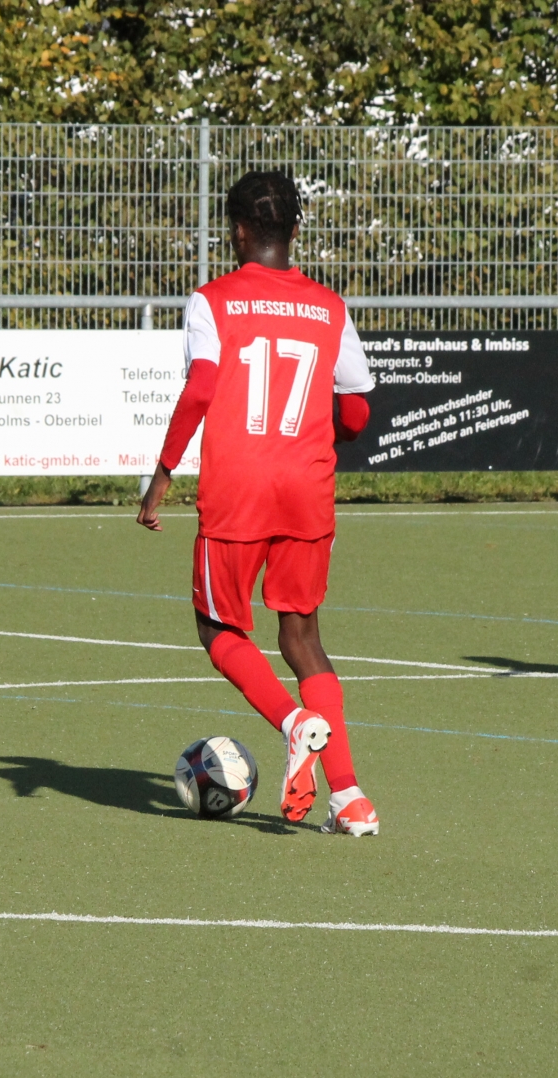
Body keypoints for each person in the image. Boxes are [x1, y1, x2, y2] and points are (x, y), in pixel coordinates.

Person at [135, 171, 379, 836]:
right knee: (304, 638)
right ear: (295, 230)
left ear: (237, 231)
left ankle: (294, 723)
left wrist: (163, 472)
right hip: (307, 488)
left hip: (238, 489)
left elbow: (201, 387)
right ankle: (350, 799)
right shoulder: (329, 306)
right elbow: (357, 412)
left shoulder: (212, 300)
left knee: (217, 629)